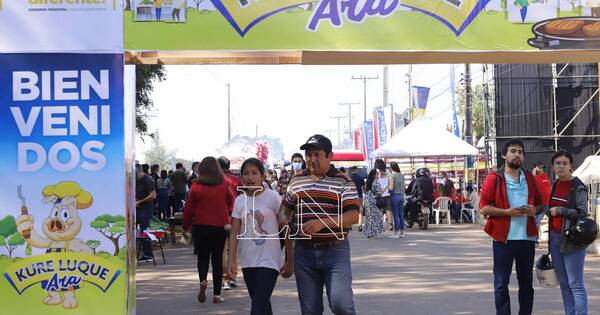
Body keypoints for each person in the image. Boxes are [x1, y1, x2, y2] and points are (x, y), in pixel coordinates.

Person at [278, 134, 359, 315]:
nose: (311, 159)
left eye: (317, 155)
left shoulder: (343, 181)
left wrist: (322, 223)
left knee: (342, 305)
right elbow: (285, 209)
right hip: (303, 253)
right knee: (310, 310)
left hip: (335, 252)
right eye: (308, 155)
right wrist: (283, 217)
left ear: (330, 156)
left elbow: (353, 215)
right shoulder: (296, 180)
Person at [480, 139, 544, 315]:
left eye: (520, 152)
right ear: (504, 155)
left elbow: (540, 205)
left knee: (526, 285)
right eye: (513, 151)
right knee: (501, 284)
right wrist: (507, 212)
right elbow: (483, 207)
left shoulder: (529, 178)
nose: (517, 155)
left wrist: (534, 210)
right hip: (503, 240)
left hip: (527, 239)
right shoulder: (495, 178)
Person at [228, 158, 293, 315]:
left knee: (257, 307)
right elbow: (235, 233)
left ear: (262, 175)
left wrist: (290, 259)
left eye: (254, 173)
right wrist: (231, 261)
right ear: (241, 177)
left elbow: (286, 230)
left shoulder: (274, 198)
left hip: (269, 260)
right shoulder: (239, 201)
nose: (250, 177)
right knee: (262, 305)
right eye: (246, 174)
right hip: (248, 260)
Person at [183, 157, 235, 304]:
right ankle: (217, 295)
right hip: (220, 227)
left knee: (203, 257)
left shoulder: (196, 186)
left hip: (200, 227)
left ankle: (203, 281)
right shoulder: (225, 184)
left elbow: (188, 210)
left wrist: (185, 227)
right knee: (217, 259)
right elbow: (232, 203)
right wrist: (227, 215)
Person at [547, 150, 590, 315]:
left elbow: (582, 213)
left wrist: (560, 210)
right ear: (553, 166)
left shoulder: (578, 186)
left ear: (571, 165)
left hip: (573, 240)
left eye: (565, 163)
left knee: (575, 284)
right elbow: (550, 209)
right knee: (564, 285)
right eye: (558, 163)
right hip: (555, 237)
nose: (561, 166)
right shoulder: (556, 184)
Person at [218, 156, 241, 290]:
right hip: (236, 217)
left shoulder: (217, 180)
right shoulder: (237, 179)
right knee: (233, 248)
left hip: (221, 217)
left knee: (223, 250)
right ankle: (233, 277)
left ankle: (225, 279)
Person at [136, 164, 156, 262]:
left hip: (146, 210)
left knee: (144, 231)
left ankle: (148, 254)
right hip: (137, 209)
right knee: (138, 232)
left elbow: (153, 195)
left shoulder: (148, 180)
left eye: (135, 174)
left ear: (140, 171)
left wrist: (139, 202)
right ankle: (144, 252)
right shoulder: (135, 180)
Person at [363, 169, 385, 239]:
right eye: (377, 174)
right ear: (374, 175)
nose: (378, 175)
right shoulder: (376, 182)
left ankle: (369, 232)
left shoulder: (368, 182)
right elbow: (379, 193)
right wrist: (385, 188)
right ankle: (372, 233)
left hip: (367, 201)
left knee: (368, 217)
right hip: (373, 201)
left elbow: (365, 191)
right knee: (375, 217)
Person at [388, 162, 406, 238]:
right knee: (401, 214)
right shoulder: (402, 175)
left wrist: (387, 187)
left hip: (394, 196)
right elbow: (404, 187)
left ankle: (396, 233)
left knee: (395, 215)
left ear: (391, 168)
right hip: (401, 196)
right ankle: (402, 232)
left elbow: (391, 188)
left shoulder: (392, 175)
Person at [373, 159, 392, 230]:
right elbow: (390, 181)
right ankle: (390, 225)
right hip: (387, 193)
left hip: (378, 194)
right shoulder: (387, 171)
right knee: (388, 210)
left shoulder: (375, 172)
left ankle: (379, 225)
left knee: (378, 210)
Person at [349, 166, 365, 231]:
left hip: (351, 196)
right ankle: (360, 225)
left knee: (350, 210)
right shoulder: (360, 178)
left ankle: (349, 225)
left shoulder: (349, 178)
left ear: (352, 170)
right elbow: (364, 187)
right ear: (356, 170)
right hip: (359, 196)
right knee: (360, 210)